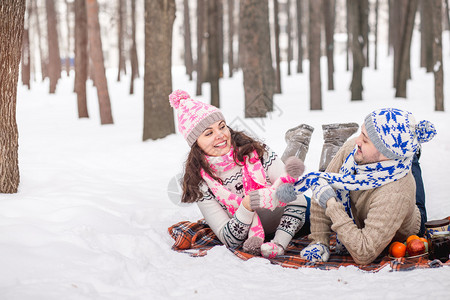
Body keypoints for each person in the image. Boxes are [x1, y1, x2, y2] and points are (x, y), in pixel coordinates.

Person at [169, 90, 309, 258]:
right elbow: (229, 239)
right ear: (195, 144)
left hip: (299, 218)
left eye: (222, 126)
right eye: (209, 133)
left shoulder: (255, 151)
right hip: (254, 237)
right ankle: (297, 143)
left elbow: (291, 188)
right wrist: (247, 205)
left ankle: (309, 142)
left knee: (324, 196)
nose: (220, 135)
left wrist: (269, 195)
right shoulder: (201, 183)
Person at [294, 108, 436, 265]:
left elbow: (364, 253)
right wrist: (319, 241)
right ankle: (408, 154)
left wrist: (332, 204)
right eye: (361, 133)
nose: (357, 141)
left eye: (365, 139)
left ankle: (412, 155)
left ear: (385, 153)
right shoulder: (352, 151)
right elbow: (321, 187)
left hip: (407, 225)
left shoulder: (396, 193)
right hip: (385, 177)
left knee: (412, 180)